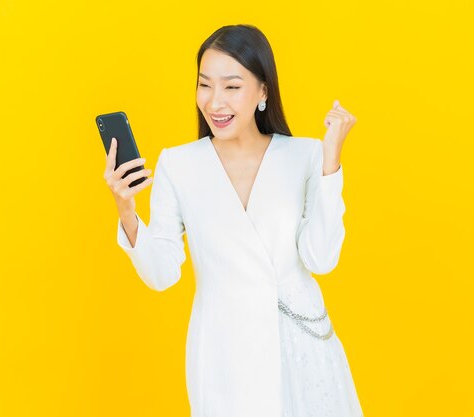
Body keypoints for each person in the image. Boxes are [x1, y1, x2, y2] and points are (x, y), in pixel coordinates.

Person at [104, 24, 362, 417]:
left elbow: (321, 258)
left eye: (231, 86)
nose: (214, 102)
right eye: (204, 85)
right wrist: (127, 210)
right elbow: (162, 274)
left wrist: (331, 164)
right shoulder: (179, 164)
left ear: (263, 92)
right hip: (223, 355)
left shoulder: (306, 156)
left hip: (299, 348)